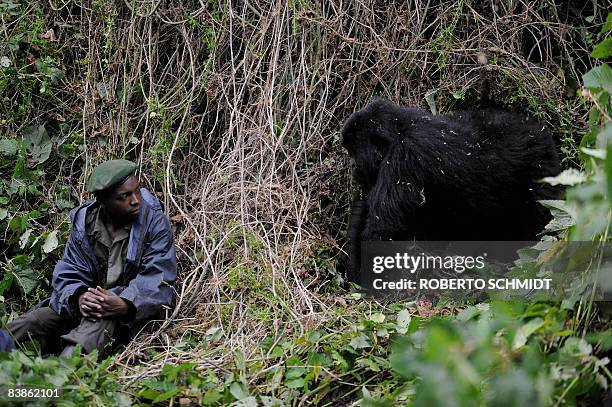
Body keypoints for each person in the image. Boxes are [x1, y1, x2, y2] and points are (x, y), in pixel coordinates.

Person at [0, 159, 177, 356]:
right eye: (124, 196)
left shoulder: (154, 222)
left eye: (137, 191)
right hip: (87, 307)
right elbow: (70, 269)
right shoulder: (85, 224)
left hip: (131, 315)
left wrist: (125, 303)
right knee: (32, 321)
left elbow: (159, 277)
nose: (136, 200)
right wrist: (79, 296)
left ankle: (60, 380)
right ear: (103, 202)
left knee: (89, 333)